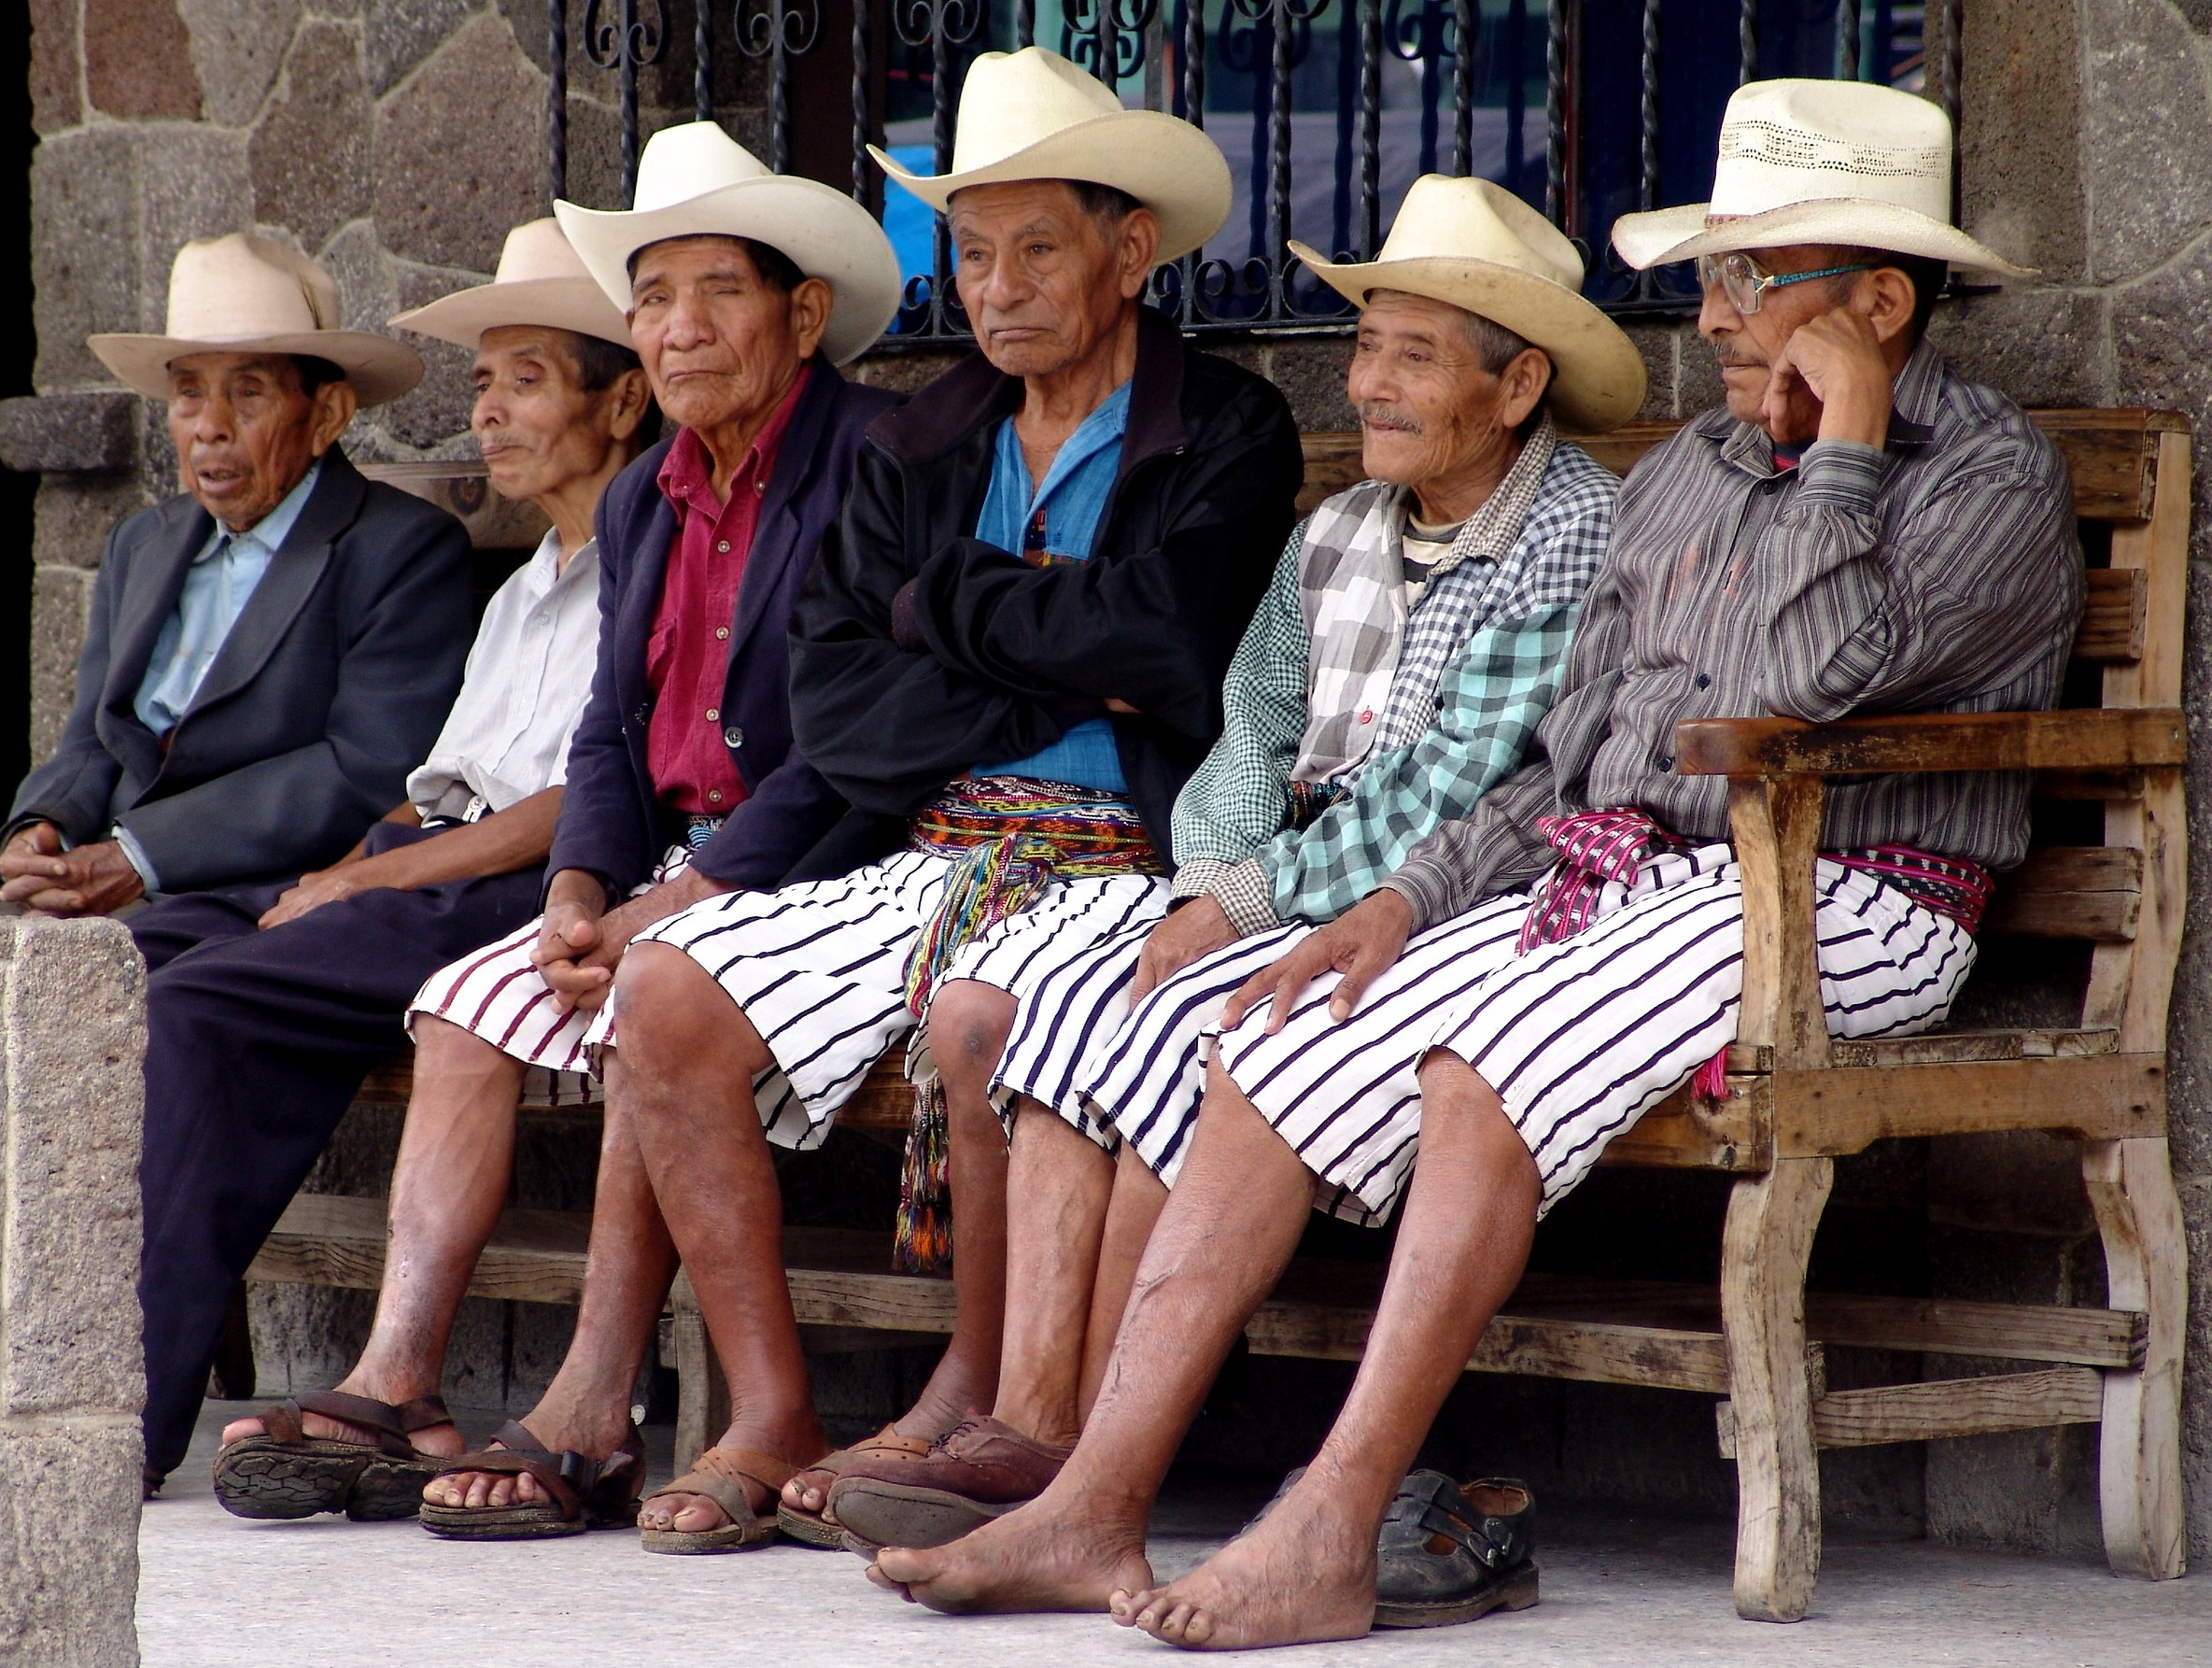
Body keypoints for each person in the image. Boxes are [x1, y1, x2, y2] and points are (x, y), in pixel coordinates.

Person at [870, 78, 2083, 1648]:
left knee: (1470, 1061)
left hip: (1848, 890)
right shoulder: (1693, 474)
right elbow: (1575, 757)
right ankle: (1095, 1499)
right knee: (1268, 1034)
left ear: (1882, 300)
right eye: (1709, 275)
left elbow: (1809, 680)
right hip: (1631, 876)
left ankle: (1332, 1521)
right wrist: (1400, 899)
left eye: (1751, 279)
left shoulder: (1987, 472)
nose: (1711, 315)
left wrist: (1844, 437)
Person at [416, 47, 1302, 1551]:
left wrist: (951, 608)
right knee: (667, 986)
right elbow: (844, 708)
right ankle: (769, 1409)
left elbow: (1175, 652)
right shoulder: (921, 437)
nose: (998, 284)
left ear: (1130, 248)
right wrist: (1062, 645)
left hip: (1127, 860)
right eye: (971, 249)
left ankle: (975, 1391)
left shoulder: (1226, 425)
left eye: (1039, 246)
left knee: (988, 1012)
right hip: (929, 845)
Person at [823, 176, 1642, 1551]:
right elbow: (1249, 726)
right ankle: (1033, 1415)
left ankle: (1088, 1447)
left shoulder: (1568, 530)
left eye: (1414, 356)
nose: (1369, 384)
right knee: (1057, 1001)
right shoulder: (1338, 530)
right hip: (1283, 877)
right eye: (1367, 347)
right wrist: (1214, 875)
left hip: (1441, 901)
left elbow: (1458, 787)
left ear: (1518, 387)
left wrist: (1247, 903)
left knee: (1180, 1031)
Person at [204, 120, 904, 1527]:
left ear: (803, 312)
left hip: (823, 853)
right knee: (469, 1003)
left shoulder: (871, 458)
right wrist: (583, 881)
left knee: (651, 989)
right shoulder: (651, 490)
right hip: (661, 871)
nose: (678, 328)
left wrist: (664, 902)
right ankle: (399, 1378)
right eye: (651, 297)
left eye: (717, 292)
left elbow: (855, 754)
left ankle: (595, 1402)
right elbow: (604, 738)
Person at [127, 219, 654, 1496]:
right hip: (423, 859)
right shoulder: (535, 575)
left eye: (526, 378)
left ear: (623, 398)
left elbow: (565, 811)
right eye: (482, 381)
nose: (489, 412)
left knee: (205, 1001)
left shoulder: (650, 557)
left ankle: (124, 1401)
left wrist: (355, 882)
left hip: (523, 886)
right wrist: (346, 872)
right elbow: (437, 785)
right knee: (127, 957)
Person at [0, 233, 472, 915]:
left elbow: (366, 769)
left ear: (326, 415)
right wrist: (47, 824)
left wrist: (140, 855)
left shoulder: (403, 549)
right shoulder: (142, 543)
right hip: (100, 875)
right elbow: (93, 735)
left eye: (247, 393)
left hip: (254, 896)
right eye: (189, 395)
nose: (210, 427)